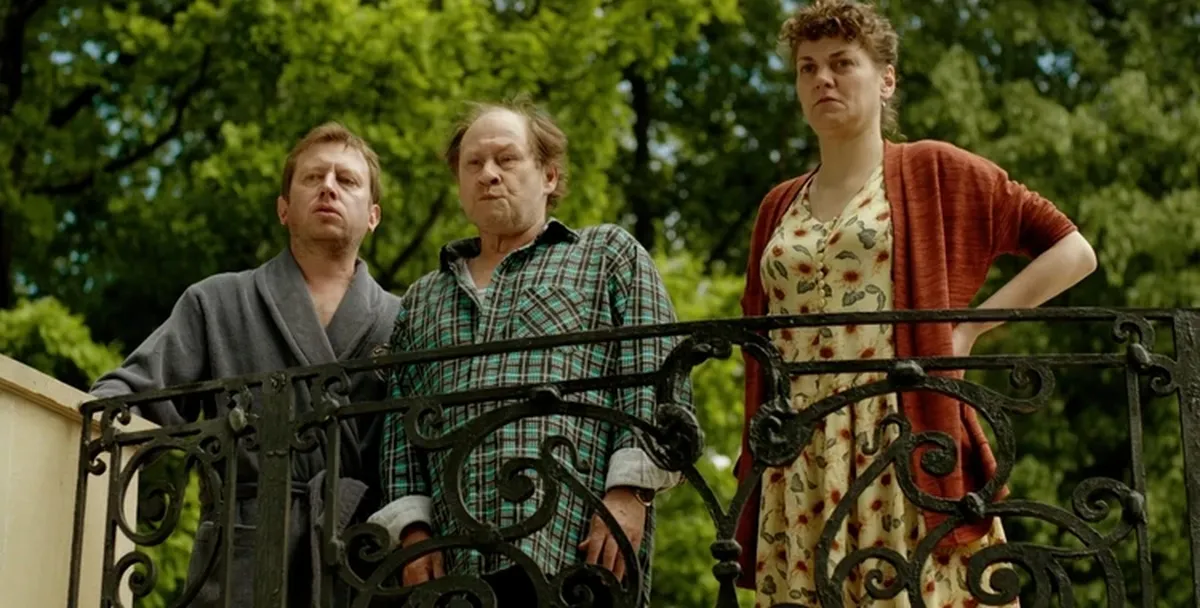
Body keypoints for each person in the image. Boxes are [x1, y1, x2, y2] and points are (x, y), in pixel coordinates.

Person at [732, 0, 1098, 605]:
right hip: (798, 457)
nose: (823, 79)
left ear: (886, 79)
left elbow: (1073, 251)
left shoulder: (932, 170)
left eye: (842, 63)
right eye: (807, 67)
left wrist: (968, 331)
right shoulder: (778, 204)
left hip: (901, 440)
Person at [368, 100, 684, 606]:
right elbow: (401, 427)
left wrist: (631, 492)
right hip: (457, 567)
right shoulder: (422, 298)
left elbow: (655, 376)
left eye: (507, 159)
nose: (488, 174)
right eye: (473, 163)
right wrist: (413, 530)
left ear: (549, 175)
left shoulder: (606, 255)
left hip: (578, 550)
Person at [89, 122, 402, 607]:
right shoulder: (217, 302)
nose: (329, 187)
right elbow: (127, 398)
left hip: (359, 561)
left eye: (347, 179)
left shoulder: (403, 322)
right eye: (313, 177)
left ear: (373, 215)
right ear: (283, 208)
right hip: (240, 559)